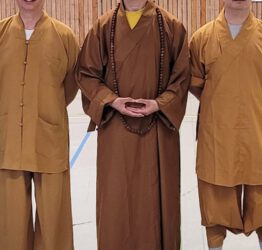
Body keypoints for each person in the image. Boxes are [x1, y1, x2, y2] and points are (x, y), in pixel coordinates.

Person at [75, 0, 190, 249]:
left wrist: (160, 104)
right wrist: (112, 101)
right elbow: (86, 73)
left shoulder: (171, 26)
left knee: (156, 202)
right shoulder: (103, 27)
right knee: (117, 201)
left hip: (158, 128)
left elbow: (181, 78)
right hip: (116, 131)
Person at [189, 0, 262, 249]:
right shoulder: (202, 38)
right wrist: (222, 103)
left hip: (258, 128)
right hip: (216, 132)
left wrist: (249, 99)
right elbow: (197, 84)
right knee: (215, 198)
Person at [0, 0, 79, 249]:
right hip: (10, 142)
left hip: (50, 140)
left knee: (54, 223)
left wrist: (44, 107)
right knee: (11, 224)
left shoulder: (64, 36)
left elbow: (69, 86)